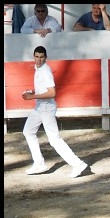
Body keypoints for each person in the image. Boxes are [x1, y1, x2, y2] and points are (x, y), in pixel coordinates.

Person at [21, 46, 89, 178]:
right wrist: (33, 92)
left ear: (45, 58)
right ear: (34, 57)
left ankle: (78, 164)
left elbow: (52, 93)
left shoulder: (45, 71)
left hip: (46, 108)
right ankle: (39, 163)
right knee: (28, 131)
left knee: (54, 139)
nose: (39, 60)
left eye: (41, 57)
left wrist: (32, 97)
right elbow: (45, 90)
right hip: (40, 107)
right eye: (37, 57)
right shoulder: (39, 69)